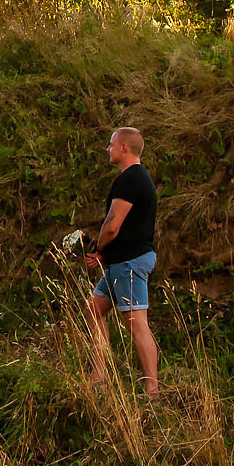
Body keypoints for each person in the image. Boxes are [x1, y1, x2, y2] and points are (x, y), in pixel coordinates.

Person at [82, 126, 160, 398]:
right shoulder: (137, 179)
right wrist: (105, 255)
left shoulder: (131, 179)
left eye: (112, 144)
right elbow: (130, 227)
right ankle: (99, 375)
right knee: (94, 308)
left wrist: (98, 246)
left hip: (130, 263)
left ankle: (152, 390)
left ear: (124, 148)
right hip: (120, 261)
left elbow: (113, 225)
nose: (108, 148)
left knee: (136, 322)